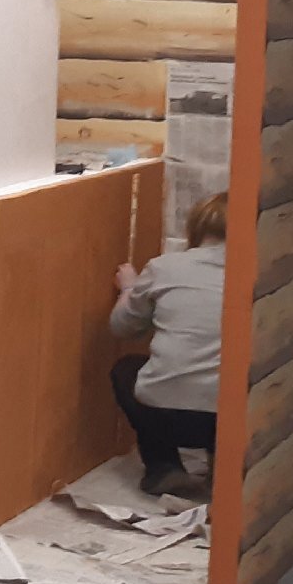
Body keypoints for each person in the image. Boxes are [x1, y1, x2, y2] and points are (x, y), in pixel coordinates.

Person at [109, 191, 226, 502]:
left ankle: (163, 468)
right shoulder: (261, 272)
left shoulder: (164, 267)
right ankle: (224, 470)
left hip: (165, 417)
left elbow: (122, 327)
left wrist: (129, 288)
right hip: (230, 420)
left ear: (196, 228)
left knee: (126, 370)